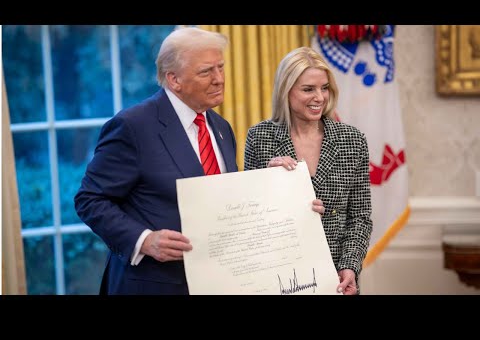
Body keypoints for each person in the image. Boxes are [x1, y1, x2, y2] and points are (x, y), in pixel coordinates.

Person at [74, 27, 238, 295]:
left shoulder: (221, 127)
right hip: (152, 284)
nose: (219, 79)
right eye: (206, 71)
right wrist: (145, 240)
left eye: (220, 67)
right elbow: (89, 200)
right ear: (174, 80)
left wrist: (276, 181)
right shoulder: (132, 126)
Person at [244, 47, 372, 295]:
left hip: (336, 280)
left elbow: (360, 218)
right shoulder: (260, 137)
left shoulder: (353, 140)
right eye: (308, 89)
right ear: (286, 90)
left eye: (324, 88)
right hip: (278, 279)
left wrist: (350, 267)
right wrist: (267, 183)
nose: (320, 97)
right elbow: (250, 222)